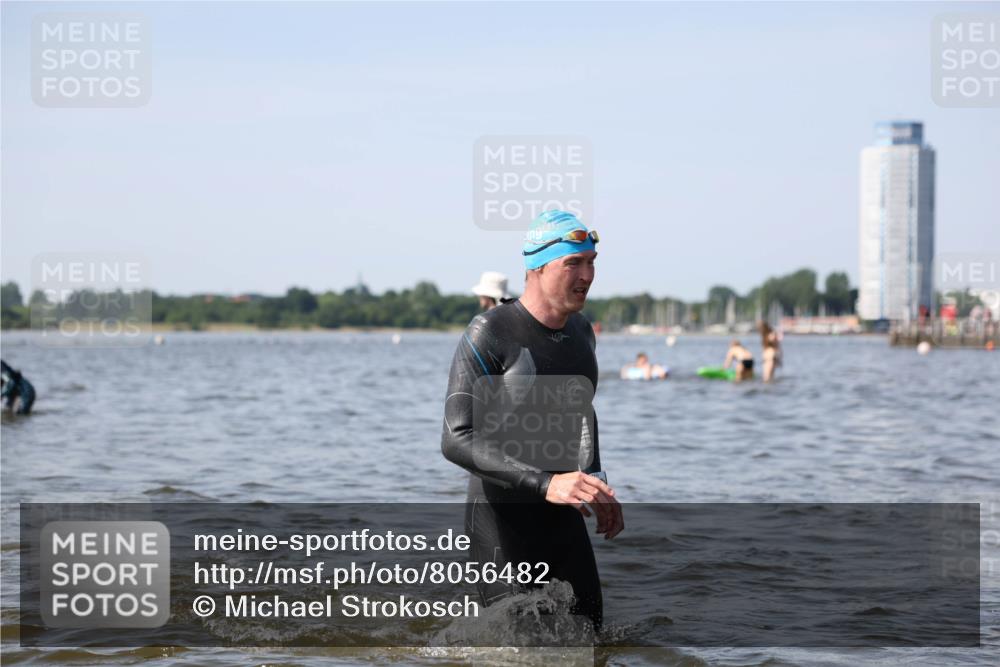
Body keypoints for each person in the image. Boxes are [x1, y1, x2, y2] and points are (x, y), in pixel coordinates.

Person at [441, 210, 624, 632]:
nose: (587, 274)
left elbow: (581, 410)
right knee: (518, 649)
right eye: (573, 263)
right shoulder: (491, 331)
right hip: (502, 516)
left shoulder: (581, 332)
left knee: (591, 639)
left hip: (561, 511)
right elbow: (456, 437)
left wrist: (593, 478)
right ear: (537, 267)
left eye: (592, 261)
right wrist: (547, 483)